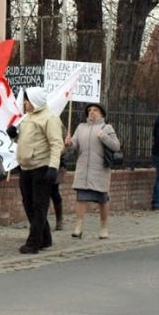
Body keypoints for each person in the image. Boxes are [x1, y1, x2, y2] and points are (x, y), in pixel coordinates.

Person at [6, 87, 64, 254]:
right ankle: (45, 238)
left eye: (27, 100)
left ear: (35, 100)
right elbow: (27, 141)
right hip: (26, 167)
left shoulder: (50, 118)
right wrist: (14, 136)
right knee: (28, 204)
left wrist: (53, 167)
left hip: (41, 167)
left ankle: (33, 243)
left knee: (39, 206)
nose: (24, 103)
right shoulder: (27, 117)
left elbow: (56, 144)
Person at [65, 102, 121, 239]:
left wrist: (103, 136)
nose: (91, 112)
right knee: (81, 198)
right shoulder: (81, 127)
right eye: (90, 110)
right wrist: (69, 143)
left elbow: (116, 146)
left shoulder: (106, 128)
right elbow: (74, 145)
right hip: (83, 168)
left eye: (95, 110)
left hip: (99, 169)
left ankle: (103, 227)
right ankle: (78, 226)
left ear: (101, 114)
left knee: (102, 199)